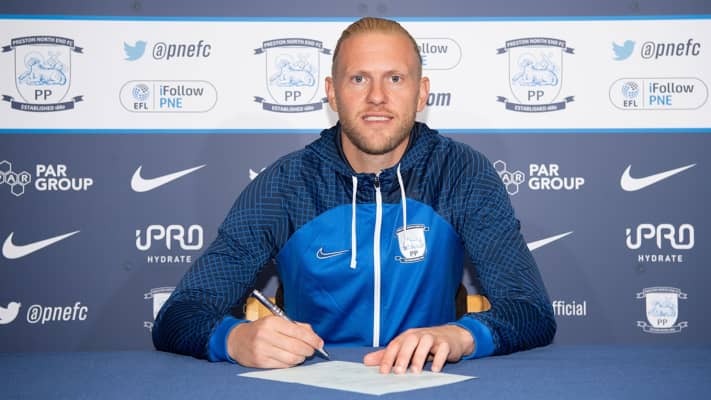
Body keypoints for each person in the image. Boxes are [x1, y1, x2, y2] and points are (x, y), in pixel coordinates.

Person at [153, 17, 556, 374]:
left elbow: (530, 310)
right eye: (358, 79)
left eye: (395, 78)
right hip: (311, 386)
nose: (377, 96)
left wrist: (459, 337)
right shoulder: (286, 184)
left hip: (432, 384)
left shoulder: (460, 173)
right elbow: (178, 315)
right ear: (332, 93)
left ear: (421, 93)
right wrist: (233, 339)